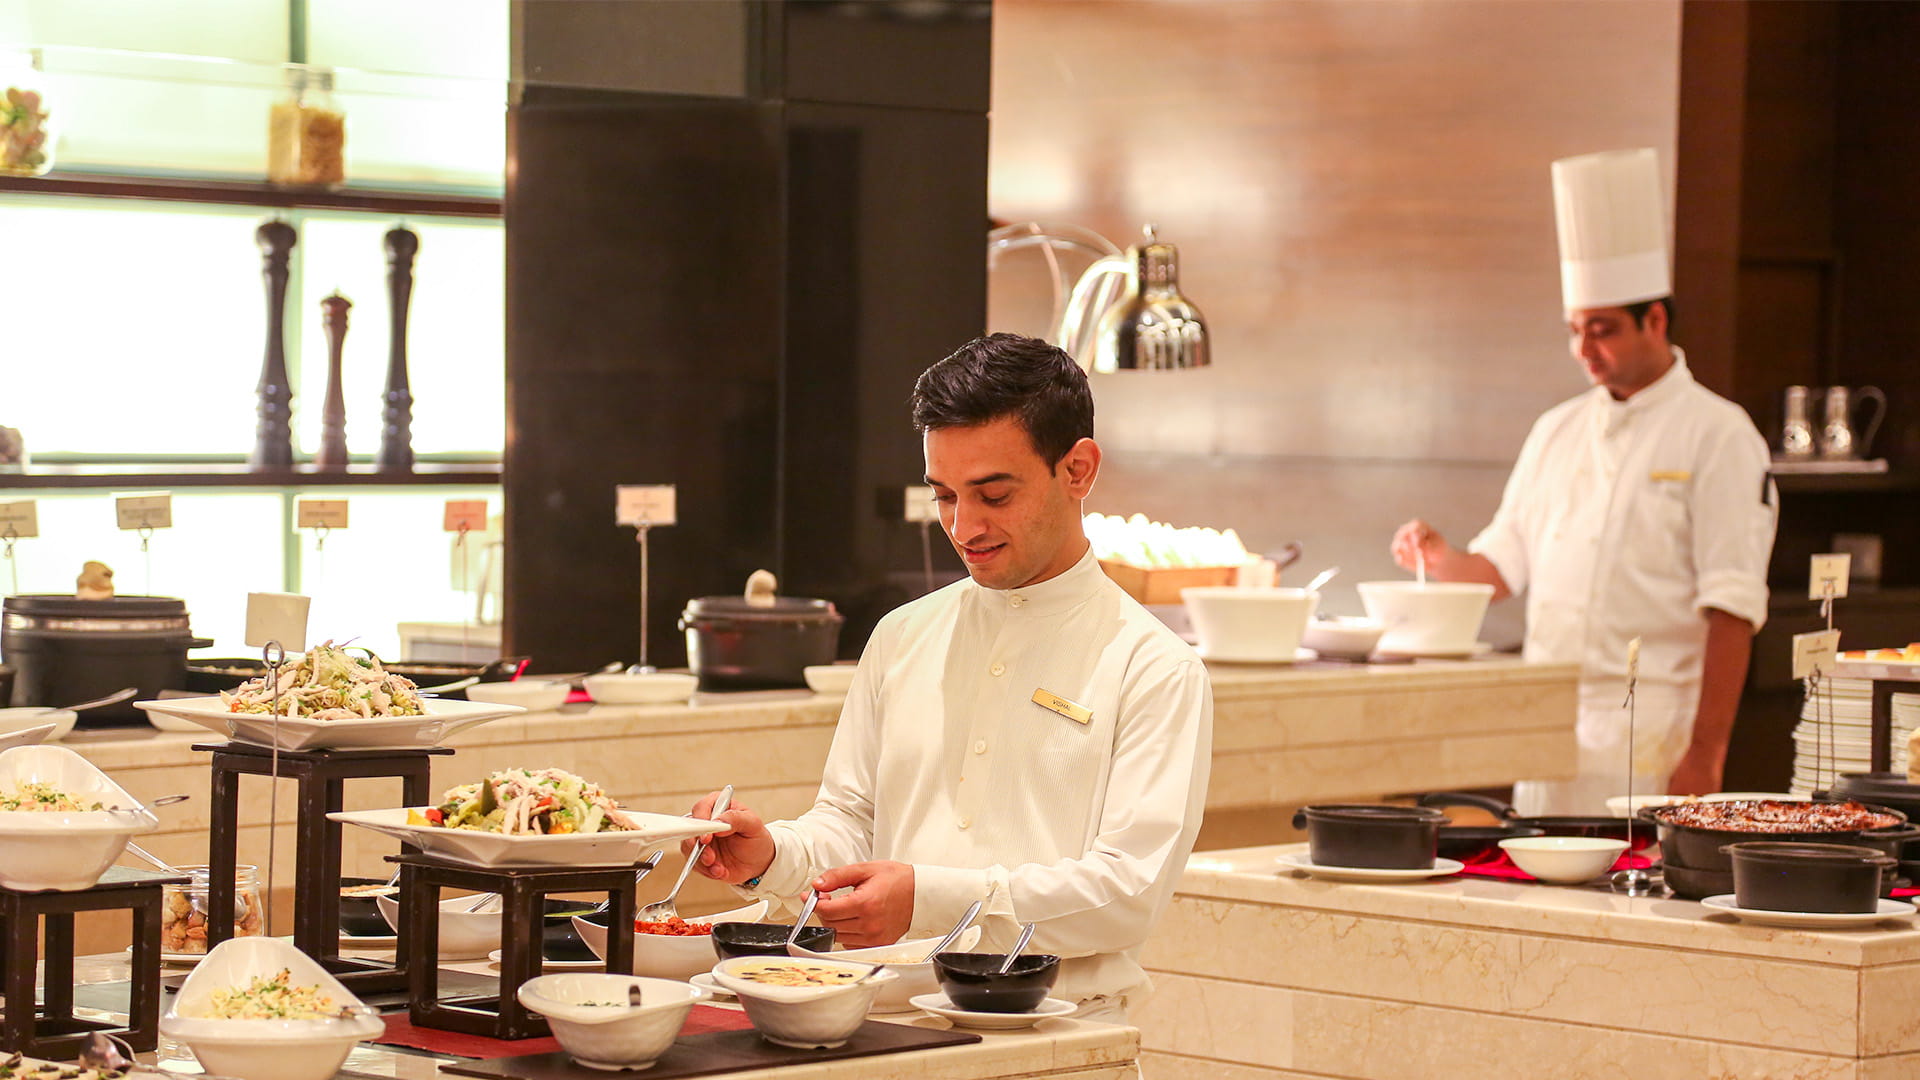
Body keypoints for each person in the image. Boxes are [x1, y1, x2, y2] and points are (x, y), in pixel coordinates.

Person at [683, 332, 1212, 1022]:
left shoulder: (1155, 666)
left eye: (994, 494)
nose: (965, 527)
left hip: (1056, 1034)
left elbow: (1127, 893)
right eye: (944, 496)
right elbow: (851, 822)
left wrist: (929, 897)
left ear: (1078, 469)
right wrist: (772, 856)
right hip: (882, 1020)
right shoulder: (903, 635)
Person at [1392, 148, 1777, 816]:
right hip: (1549, 724)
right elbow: (1498, 571)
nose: (1583, 350)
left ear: (1655, 320)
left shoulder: (1719, 433)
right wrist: (1438, 555)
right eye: (1574, 332)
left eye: (1602, 331)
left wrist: (1707, 753)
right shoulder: (1557, 430)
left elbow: (1733, 608)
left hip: (1654, 731)